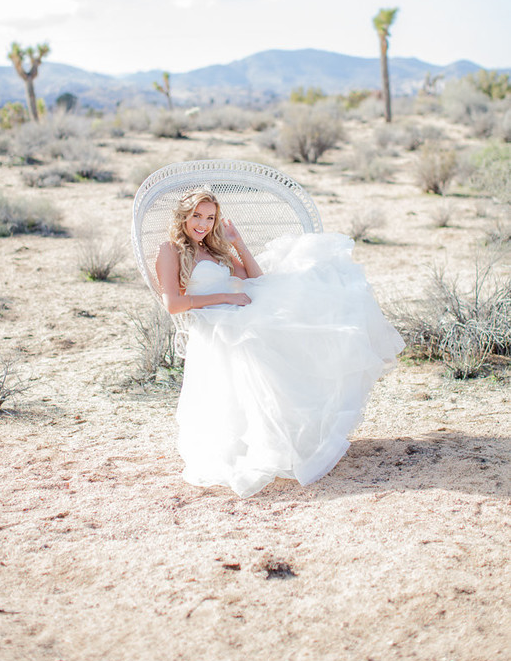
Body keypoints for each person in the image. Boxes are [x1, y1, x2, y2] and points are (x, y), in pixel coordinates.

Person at [156, 187, 404, 498]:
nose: (203, 224)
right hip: (212, 320)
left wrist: (238, 244)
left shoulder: (214, 250)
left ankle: (305, 432)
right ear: (183, 216)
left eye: (210, 217)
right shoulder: (170, 251)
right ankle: (272, 438)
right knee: (256, 341)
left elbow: (257, 278)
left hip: (236, 310)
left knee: (296, 323)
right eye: (197, 216)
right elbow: (173, 304)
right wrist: (225, 296)